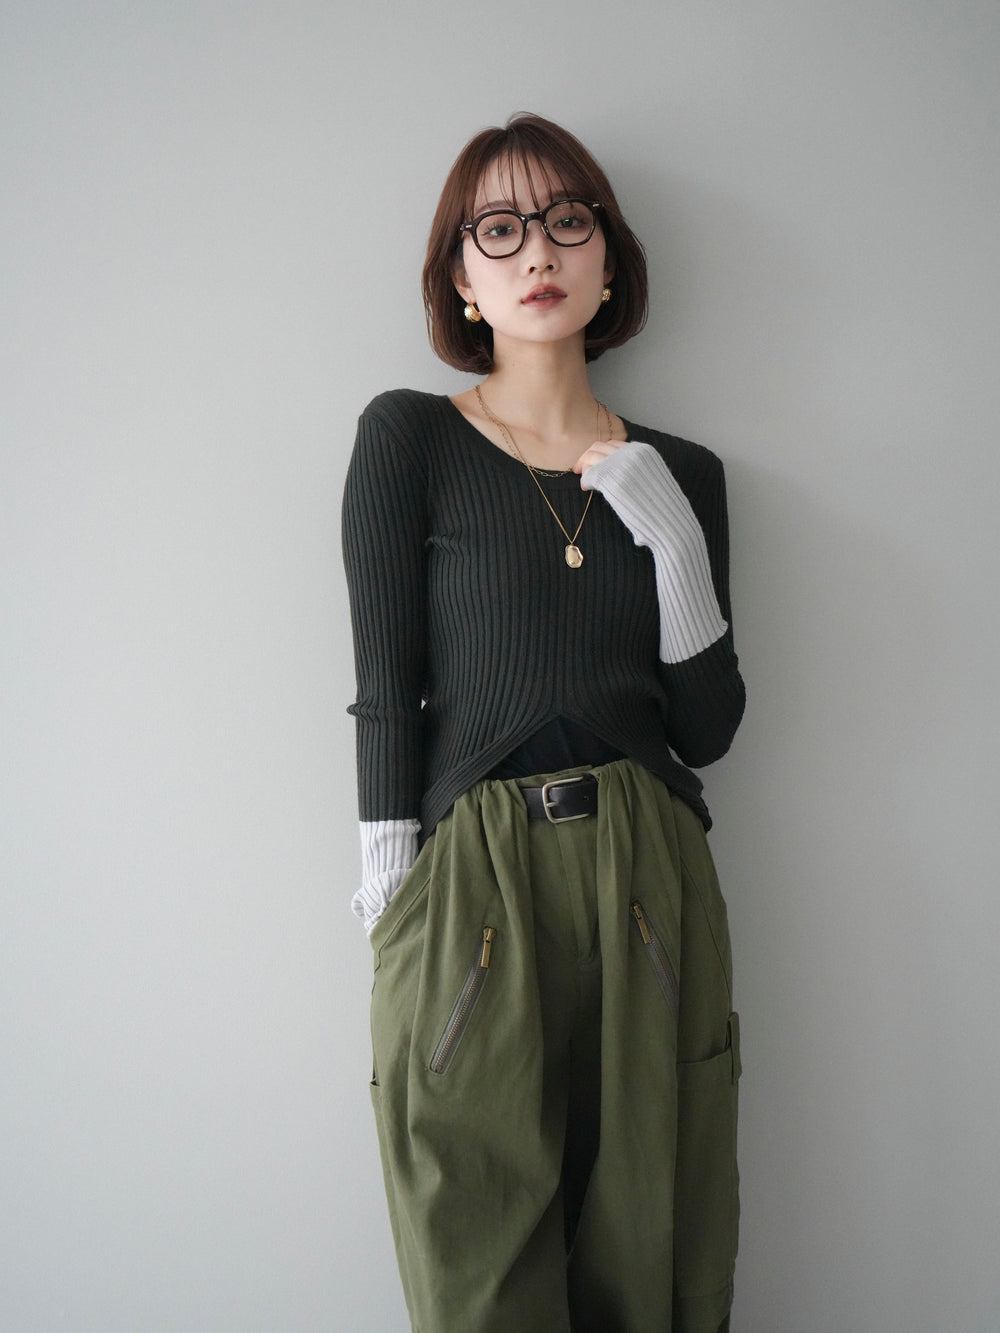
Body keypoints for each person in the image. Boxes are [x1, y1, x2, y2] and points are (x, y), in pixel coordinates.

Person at [342, 112, 746, 1333]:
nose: (538, 251)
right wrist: (391, 884)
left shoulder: (683, 471)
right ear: (461, 279)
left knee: (650, 1241)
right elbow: (387, 678)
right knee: (475, 1249)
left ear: (608, 262)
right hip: (473, 874)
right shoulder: (410, 437)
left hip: (646, 866)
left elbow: (709, 727)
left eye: (568, 221)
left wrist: (670, 539)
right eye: (500, 228)